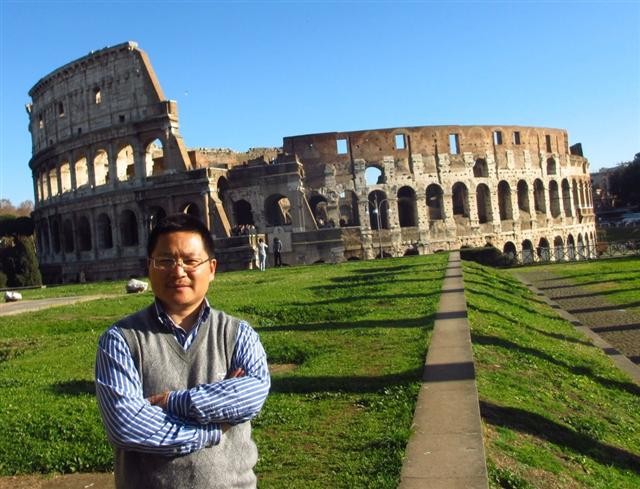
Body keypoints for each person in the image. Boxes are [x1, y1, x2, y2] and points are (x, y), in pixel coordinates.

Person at [95, 213, 270, 489]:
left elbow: (252, 395)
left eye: (190, 261)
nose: (178, 271)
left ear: (211, 268)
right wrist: (212, 429)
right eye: (165, 261)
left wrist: (175, 403)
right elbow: (126, 425)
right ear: (149, 267)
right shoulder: (119, 340)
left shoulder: (239, 333)